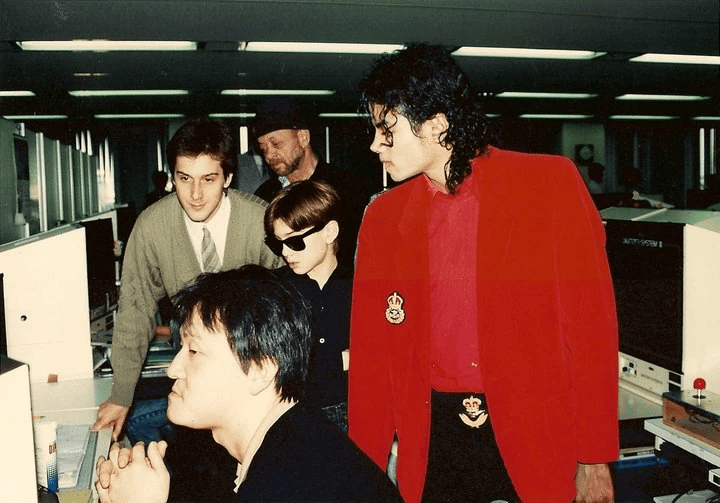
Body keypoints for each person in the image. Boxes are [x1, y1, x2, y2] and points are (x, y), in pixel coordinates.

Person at [348, 43, 619, 503]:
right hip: (433, 439)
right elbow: (373, 360)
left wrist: (594, 458)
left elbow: (591, 331)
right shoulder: (384, 218)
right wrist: (361, 474)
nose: (375, 144)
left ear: (436, 124)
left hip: (533, 433)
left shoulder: (549, 186)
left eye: (386, 130)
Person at [95, 266, 402, 503]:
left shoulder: (292, 479)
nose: (174, 369)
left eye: (193, 350)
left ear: (259, 370)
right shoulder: (290, 441)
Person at [92, 118, 282, 442]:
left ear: (228, 178)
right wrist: (121, 394)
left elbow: (288, 305)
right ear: (172, 178)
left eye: (208, 179)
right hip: (191, 382)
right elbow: (135, 311)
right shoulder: (152, 227)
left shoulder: (259, 222)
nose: (195, 194)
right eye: (184, 178)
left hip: (253, 383)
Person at [264, 180, 351, 432]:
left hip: (356, 414)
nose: (285, 253)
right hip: (294, 416)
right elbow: (280, 366)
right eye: (277, 243)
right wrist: (344, 360)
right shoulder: (275, 290)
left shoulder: (360, 286)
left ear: (329, 232)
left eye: (294, 242)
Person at [252, 97, 370, 267]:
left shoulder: (346, 187)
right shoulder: (265, 195)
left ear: (303, 138)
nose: (269, 155)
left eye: (276, 144)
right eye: (263, 149)